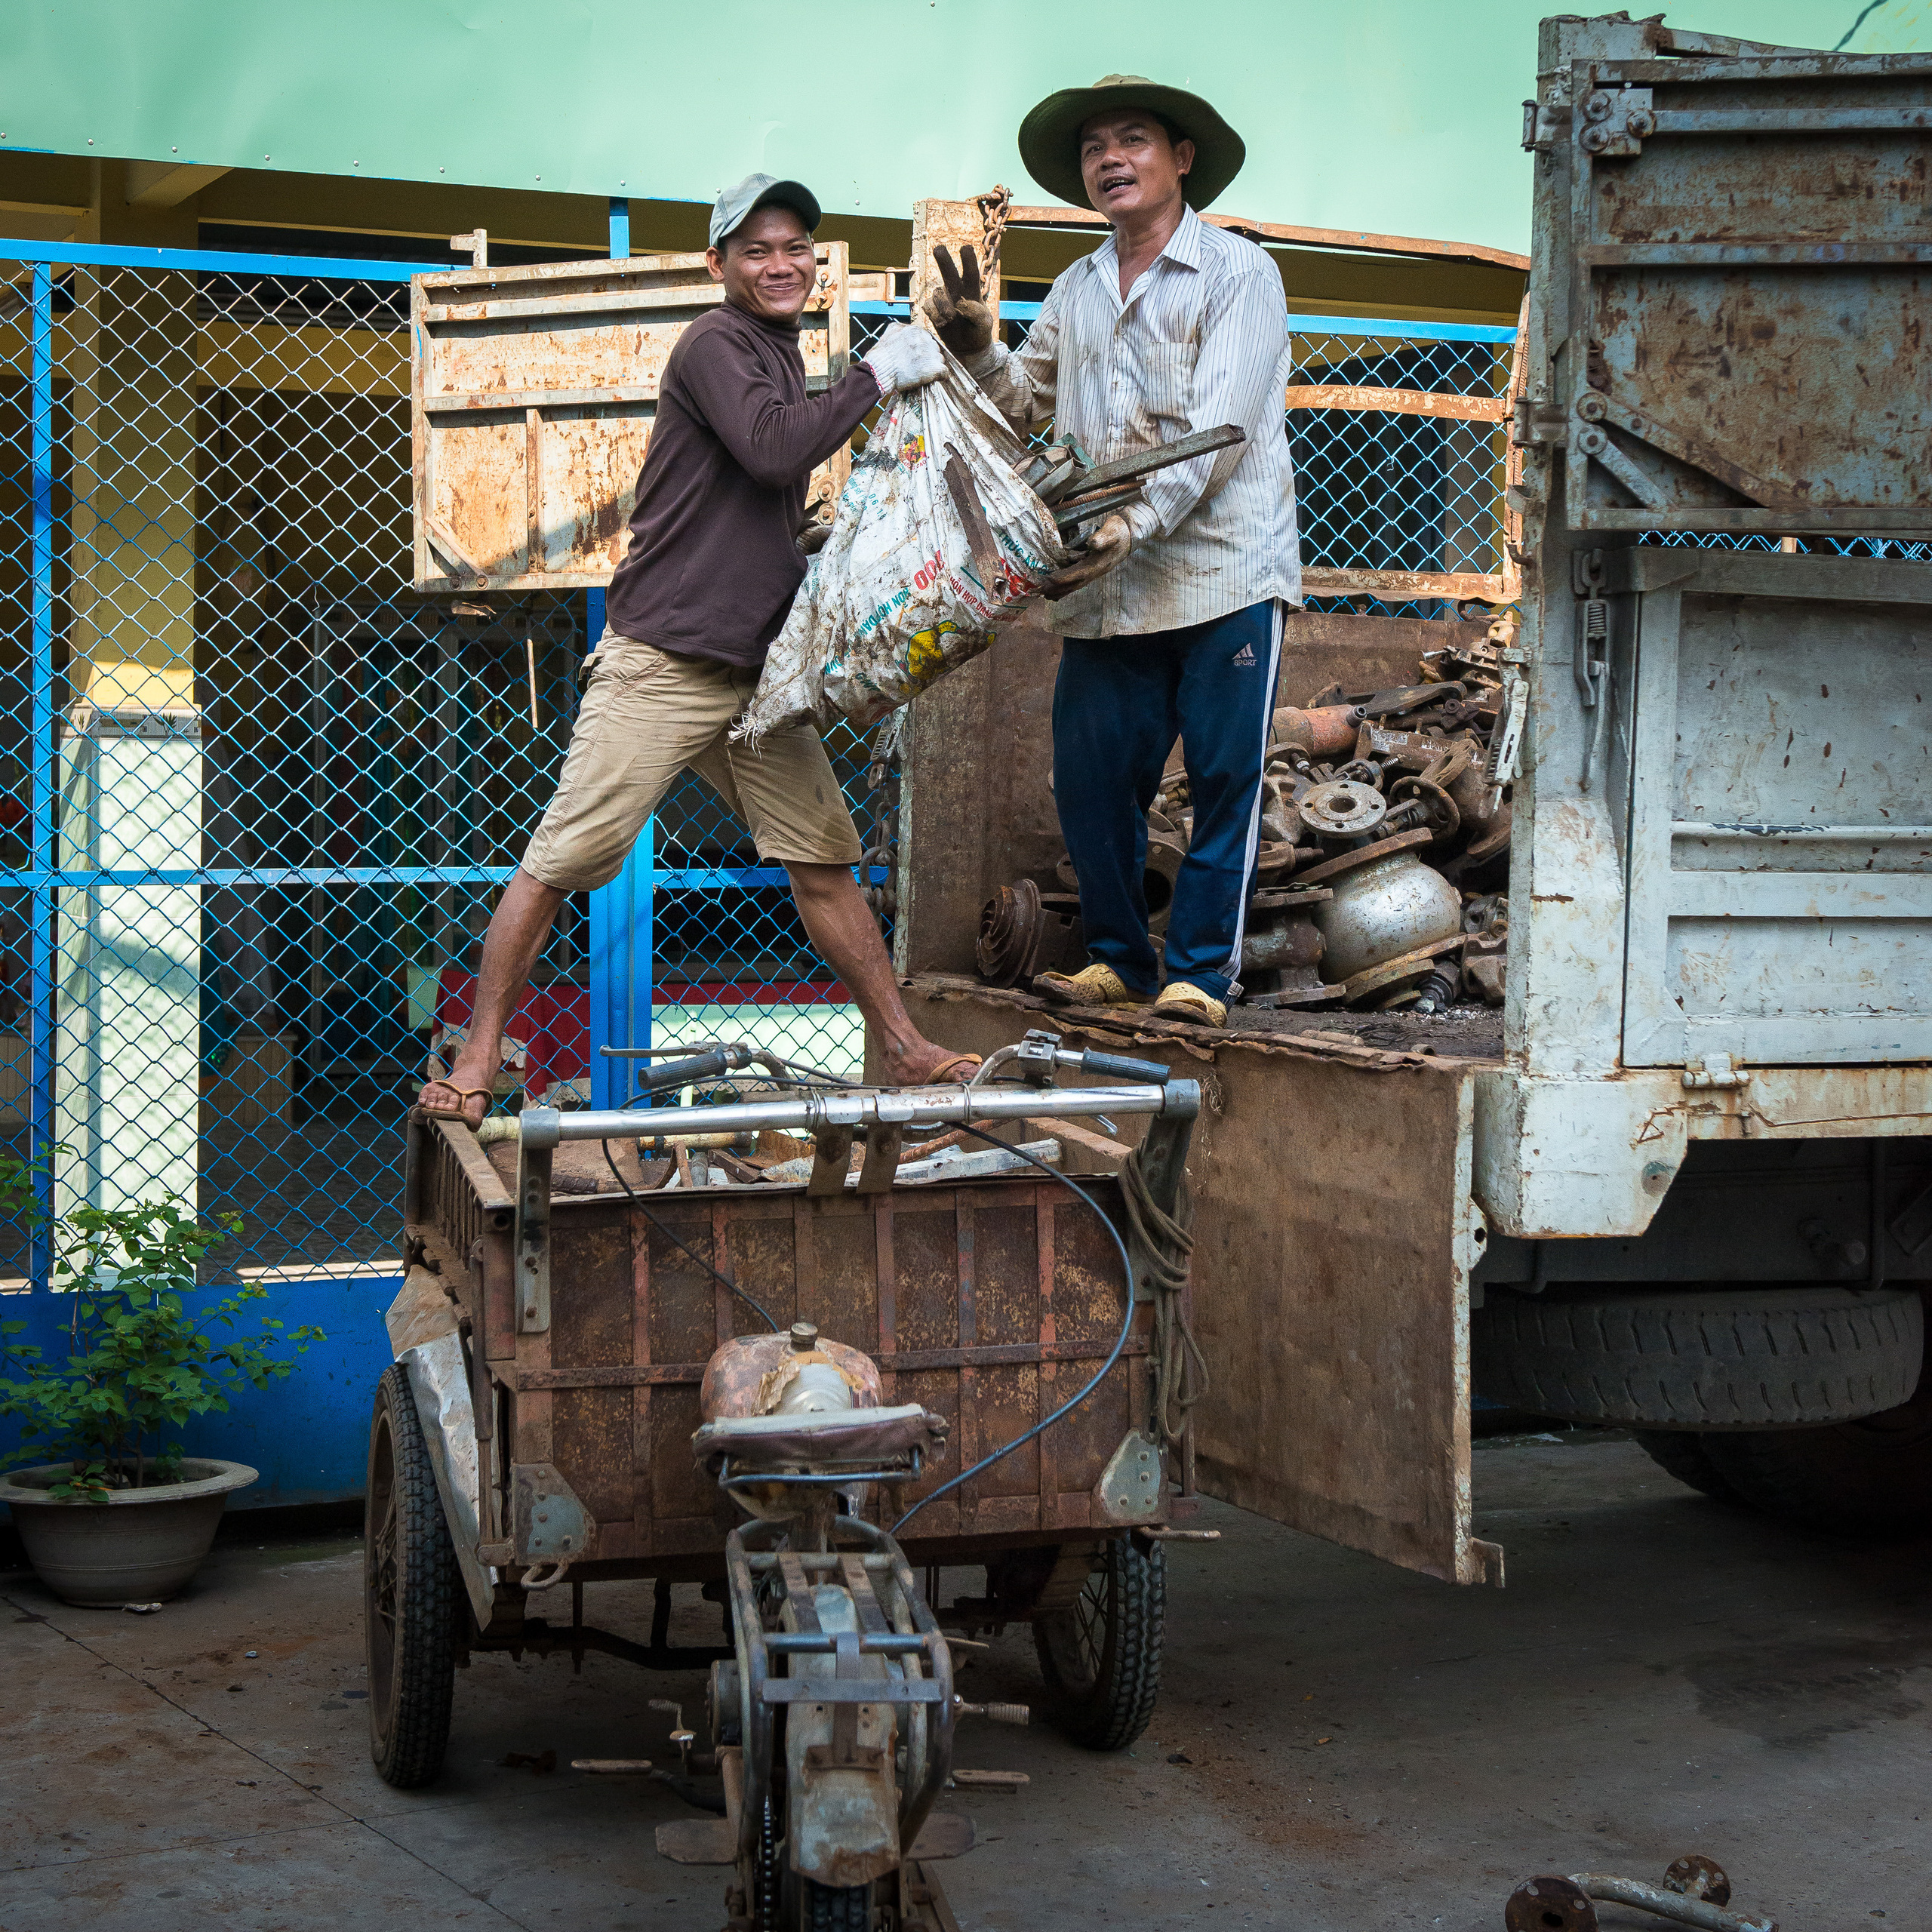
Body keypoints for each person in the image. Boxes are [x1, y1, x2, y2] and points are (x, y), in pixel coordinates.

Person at [420, 173, 973, 1126]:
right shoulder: (717, 342)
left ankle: (907, 1047)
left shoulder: (773, 349)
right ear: (718, 265)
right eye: (756, 249)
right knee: (559, 860)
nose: (781, 264)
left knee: (823, 862)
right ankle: (477, 1063)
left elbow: (753, 495)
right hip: (665, 661)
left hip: (756, 672)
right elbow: (769, 451)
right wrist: (876, 375)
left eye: (795, 246)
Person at [927, 75, 1301, 1027]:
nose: (1110, 159)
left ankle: (1201, 974)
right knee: (1091, 783)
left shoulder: (1239, 273)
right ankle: (1120, 960)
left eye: (1133, 140)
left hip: (1223, 568)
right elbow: (1023, 406)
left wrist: (1137, 517)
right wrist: (977, 347)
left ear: (1181, 160)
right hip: (1107, 578)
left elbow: (1221, 428)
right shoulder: (1075, 287)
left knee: (1224, 781)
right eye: (1096, 147)